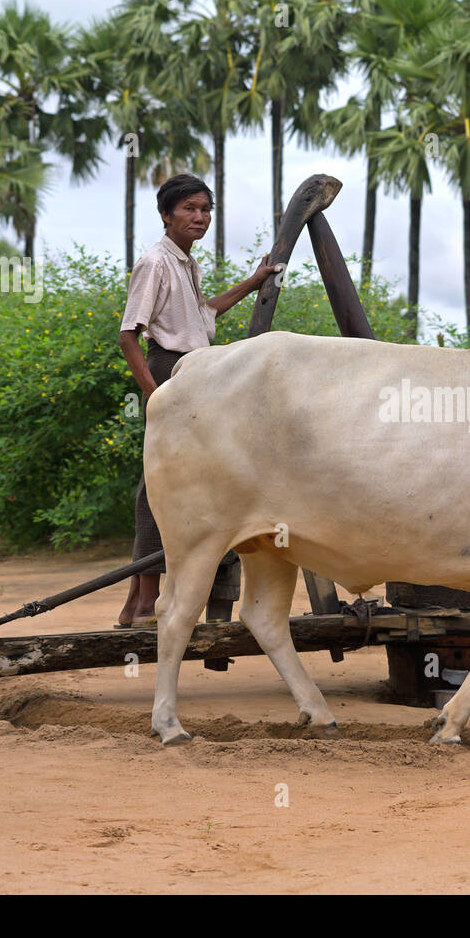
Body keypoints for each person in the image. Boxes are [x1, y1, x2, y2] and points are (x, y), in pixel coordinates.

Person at [117, 173, 282, 627]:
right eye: (189, 208)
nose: (199, 217)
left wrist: (253, 282)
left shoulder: (186, 264)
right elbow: (128, 335)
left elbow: (204, 314)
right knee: (161, 483)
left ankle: (139, 603)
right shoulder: (155, 262)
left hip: (197, 373)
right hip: (172, 370)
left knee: (187, 479)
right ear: (167, 215)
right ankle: (146, 598)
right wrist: (157, 394)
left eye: (205, 209)